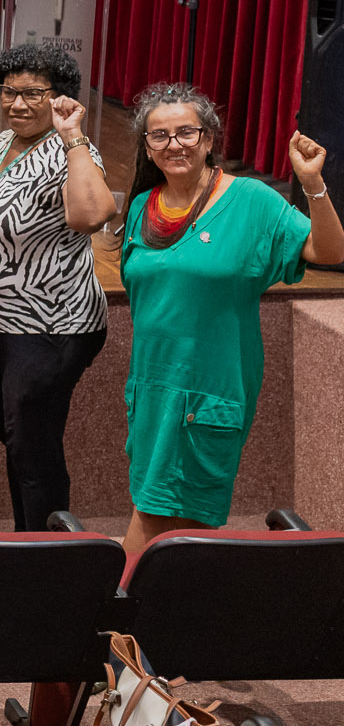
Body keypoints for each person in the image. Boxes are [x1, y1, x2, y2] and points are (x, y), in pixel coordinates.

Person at [118, 84, 341, 557]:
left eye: (186, 132)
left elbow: (329, 252)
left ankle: (122, 620)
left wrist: (313, 184)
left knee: (160, 523)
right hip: (151, 390)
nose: (174, 144)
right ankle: (159, 620)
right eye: (159, 136)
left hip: (208, 392)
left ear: (209, 139)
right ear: (146, 146)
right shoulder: (141, 207)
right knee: (165, 523)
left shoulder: (252, 201)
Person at [0, 42, 118, 533]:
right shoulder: (1, 144)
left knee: (33, 450)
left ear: (61, 99)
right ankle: (31, 539)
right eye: (9, 91)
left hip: (49, 327)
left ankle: (46, 561)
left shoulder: (74, 152)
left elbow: (92, 215)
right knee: (17, 439)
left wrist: (72, 138)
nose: (17, 104)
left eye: (33, 94)